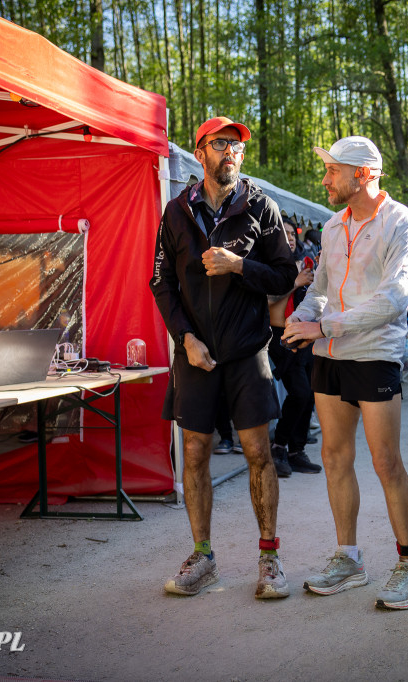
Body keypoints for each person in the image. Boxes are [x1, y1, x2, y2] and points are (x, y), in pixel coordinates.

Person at [149, 116, 298, 599]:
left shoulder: (262, 208)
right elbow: (161, 283)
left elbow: (283, 276)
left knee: (259, 453)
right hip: (194, 355)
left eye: (236, 146)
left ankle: (270, 559)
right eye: (221, 144)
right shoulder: (176, 212)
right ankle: (203, 555)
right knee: (194, 452)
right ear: (200, 153)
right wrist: (185, 339)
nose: (231, 152)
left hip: (247, 352)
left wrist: (240, 266)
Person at [282, 136, 408, 610]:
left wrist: (321, 324)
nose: (325, 179)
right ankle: (349, 558)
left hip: (374, 355)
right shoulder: (330, 227)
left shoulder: (401, 223)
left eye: (332, 171)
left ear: (363, 174)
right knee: (333, 456)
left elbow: (393, 301)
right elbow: (319, 290)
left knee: (386, 461)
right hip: (329, 354)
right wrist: (299, 317)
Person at [267, 217, 321, 477]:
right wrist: (295, 282)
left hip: (306, 334)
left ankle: (296, 451)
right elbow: (267, 302)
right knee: (299, 392)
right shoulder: (272, 266)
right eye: (284, 232)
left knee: (309, 394)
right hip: (279, 336)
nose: (289, 237)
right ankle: (278, 447)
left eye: (292, 233)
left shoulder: (303, 262)